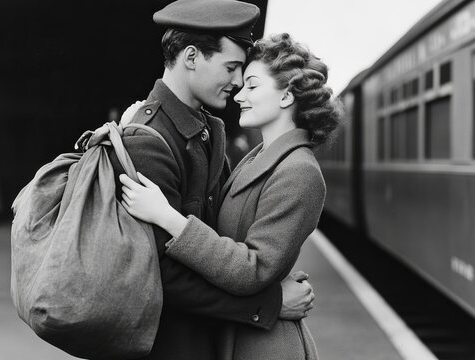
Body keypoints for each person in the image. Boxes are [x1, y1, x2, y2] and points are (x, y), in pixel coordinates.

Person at [76, 2, 315, 359]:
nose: (237, 84)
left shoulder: (209, 132)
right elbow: (156, 273)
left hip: (209, 340)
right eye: (231, 68)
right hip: (169, 346)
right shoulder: (147, 140)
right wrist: (269, 302)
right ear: (191, 57)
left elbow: (217, 242)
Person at [118, 33, 343, 359]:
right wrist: (129, 128)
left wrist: (168, 217)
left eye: (252, 85)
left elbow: (253, 269)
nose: (239, 94)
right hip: (239, 334)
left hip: (265, 345)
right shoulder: (257, 158)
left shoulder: (300, 172)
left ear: (286, 96)